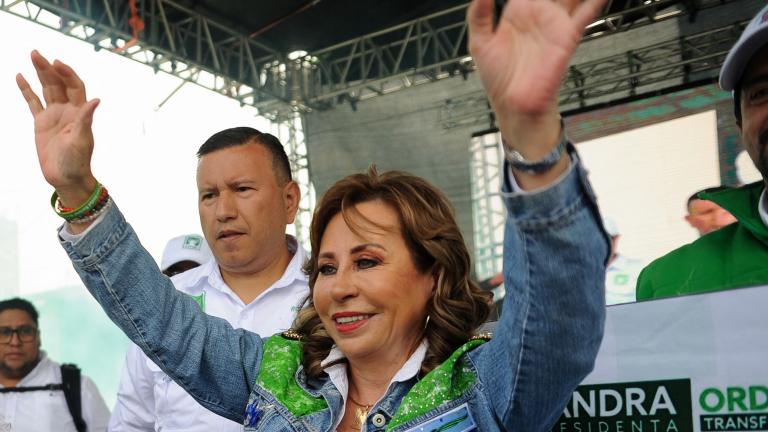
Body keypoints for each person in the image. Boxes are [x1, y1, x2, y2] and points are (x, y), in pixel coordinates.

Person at [16, 0, 610, 429]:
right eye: (326, 268)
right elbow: (163, 322)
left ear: (434, 273)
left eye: (368, 260)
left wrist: (532, 137)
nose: (341, 287)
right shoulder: (280, 378)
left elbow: (556, 311)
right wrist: (77, 190)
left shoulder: (486, 385)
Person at [108, 129, 310, 432]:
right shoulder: (167, 302)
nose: (223, 212)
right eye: (209, 195)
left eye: (242, 189)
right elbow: (132, 422)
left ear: (290, 199)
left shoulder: (331, 296)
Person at [636, 3, 768, 301]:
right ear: (740, 125)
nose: (710, 219)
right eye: (762, 92)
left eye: (714, 212)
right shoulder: (665, 281)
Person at [0, 298, 110, 432]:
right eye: (4, 332)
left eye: (25, 331)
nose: (15, 342)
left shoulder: (77, 386)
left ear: (38, 337)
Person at [602, 218, 644, 305]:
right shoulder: (580, 272)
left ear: (616, 238)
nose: (601, 243)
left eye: (606, 238)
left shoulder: (637, 269)